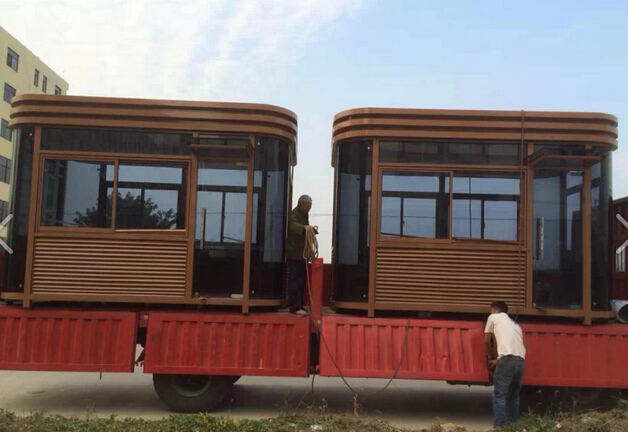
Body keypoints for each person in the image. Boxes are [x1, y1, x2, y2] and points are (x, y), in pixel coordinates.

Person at [485, 301, 526, 428]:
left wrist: (489, 355)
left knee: (499, 395)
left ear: (496, 309)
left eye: (491, 309)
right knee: (513, 396)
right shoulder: (515, 325)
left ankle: (500, 427)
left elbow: (487, 340)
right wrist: (498, 360)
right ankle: (512, 426)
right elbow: (511, 349)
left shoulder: (493, 317)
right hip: (520, 361)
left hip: (507, 360)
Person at [286, 195, 314, 315]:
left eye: (310, 206)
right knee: (295, 281)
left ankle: (300, 305)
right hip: (295, 254)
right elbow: (293, 226)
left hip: (302, 255)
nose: (309, 208)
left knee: (301, 281)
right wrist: (304, 228)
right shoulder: (295, 214)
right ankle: (294, 307)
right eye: (307, 206)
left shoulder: (304, 215)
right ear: (301, 204)